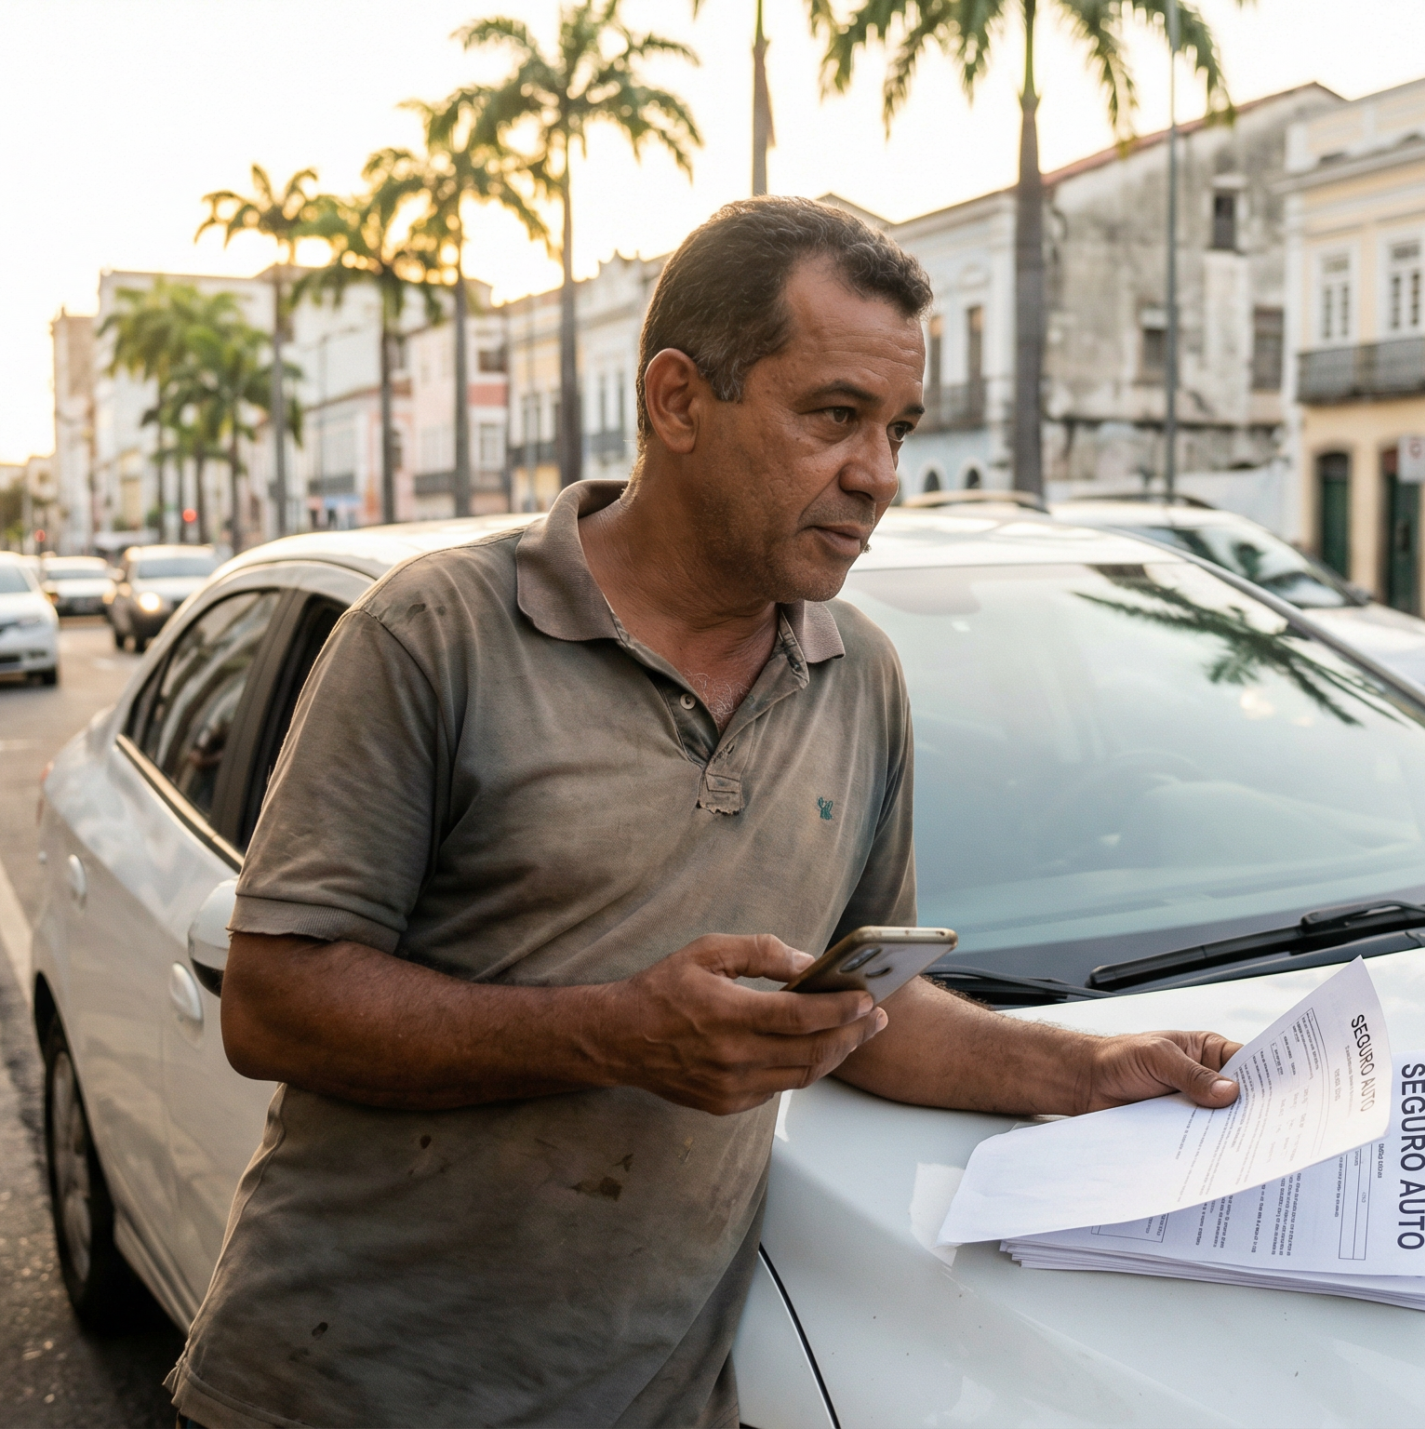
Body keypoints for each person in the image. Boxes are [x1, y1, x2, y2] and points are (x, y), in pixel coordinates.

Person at [169, 198, 1245, 1429]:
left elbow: (865, 1013)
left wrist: (1094, 1065)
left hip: (655, 1400)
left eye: (897, 428)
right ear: (678, 401)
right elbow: (273, 1000)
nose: (880, 476)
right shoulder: (435, 634)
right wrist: (611, 1034)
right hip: (347, 1390)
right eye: (834, 415)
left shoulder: (862, 679)